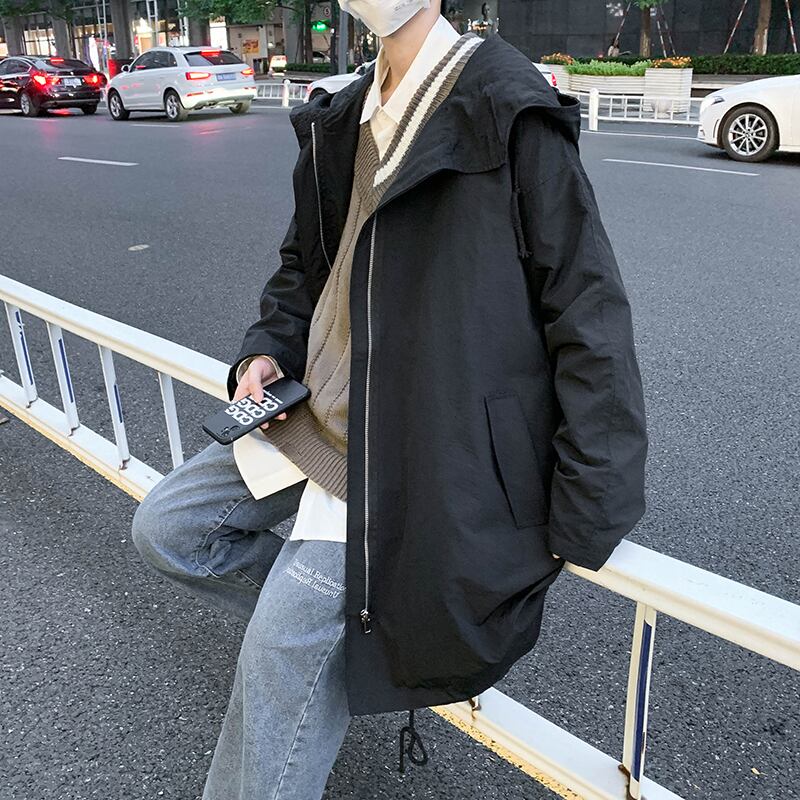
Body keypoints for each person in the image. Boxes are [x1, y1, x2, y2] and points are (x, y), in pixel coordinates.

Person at [131, 1, 648, 797]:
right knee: (168, 530)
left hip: (414, 448)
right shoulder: (345, 113)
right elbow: (304, 268)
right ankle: (370, 624)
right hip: (314, 411)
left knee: (277, 660)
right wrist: (267, 349)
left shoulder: (505, 106)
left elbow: (587, 309)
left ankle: (350, 622)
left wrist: (590, 504)